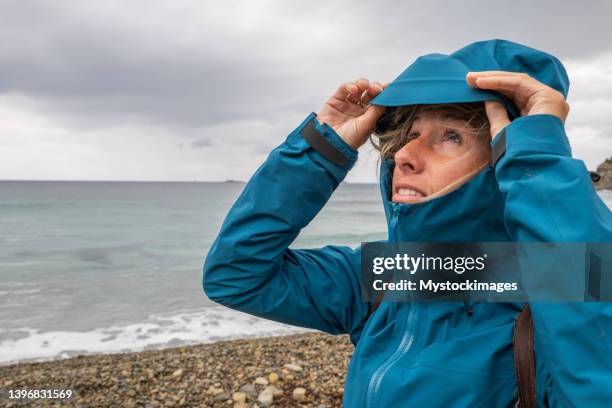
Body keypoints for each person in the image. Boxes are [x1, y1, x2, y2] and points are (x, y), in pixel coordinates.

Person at [203, 39, 612, 407]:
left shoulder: (553, 308)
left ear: (503, 160)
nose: (404, 155)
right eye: (409, 134)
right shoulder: (387, 277)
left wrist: (538, 157)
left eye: (450, 136)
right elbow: (236, 274)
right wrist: (320, 149)